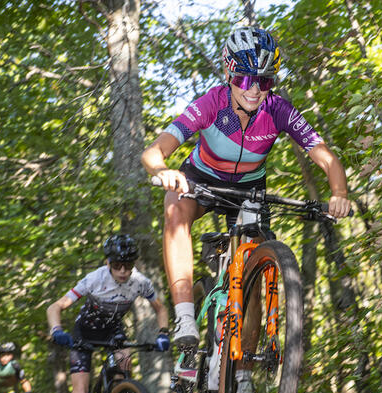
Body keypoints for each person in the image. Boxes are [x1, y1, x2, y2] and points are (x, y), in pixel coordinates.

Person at [141, 25, 352, 352]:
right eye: (244, 79)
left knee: (253, 275)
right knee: (174, 207)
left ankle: (241, 374)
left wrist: (339, 193)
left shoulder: (278, 110)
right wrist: (162, 170)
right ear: (229, 72)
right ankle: (184, 315)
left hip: (249, 189)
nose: (254, 90)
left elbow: (325, 158)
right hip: (203, 178)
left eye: (264, 81)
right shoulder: (211, 104)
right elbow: (153, 152)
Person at [46, 234, 170, 393]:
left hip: (113, 331)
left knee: (125, 361)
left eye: (128, 266)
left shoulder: (140, 282)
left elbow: (160, 309)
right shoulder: (94, 279)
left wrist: (163, 333)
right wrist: (57, 330)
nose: (122, 271)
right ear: (108, 263)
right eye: (117, 265)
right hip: (85, 333)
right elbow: (55, 307)